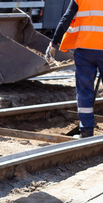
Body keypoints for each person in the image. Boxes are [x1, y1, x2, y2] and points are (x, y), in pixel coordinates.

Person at [45, 0, 103, 138]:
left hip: (85, 50)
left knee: (84, 92)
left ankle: (86, 131)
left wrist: (54, 43)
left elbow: (66, 18)